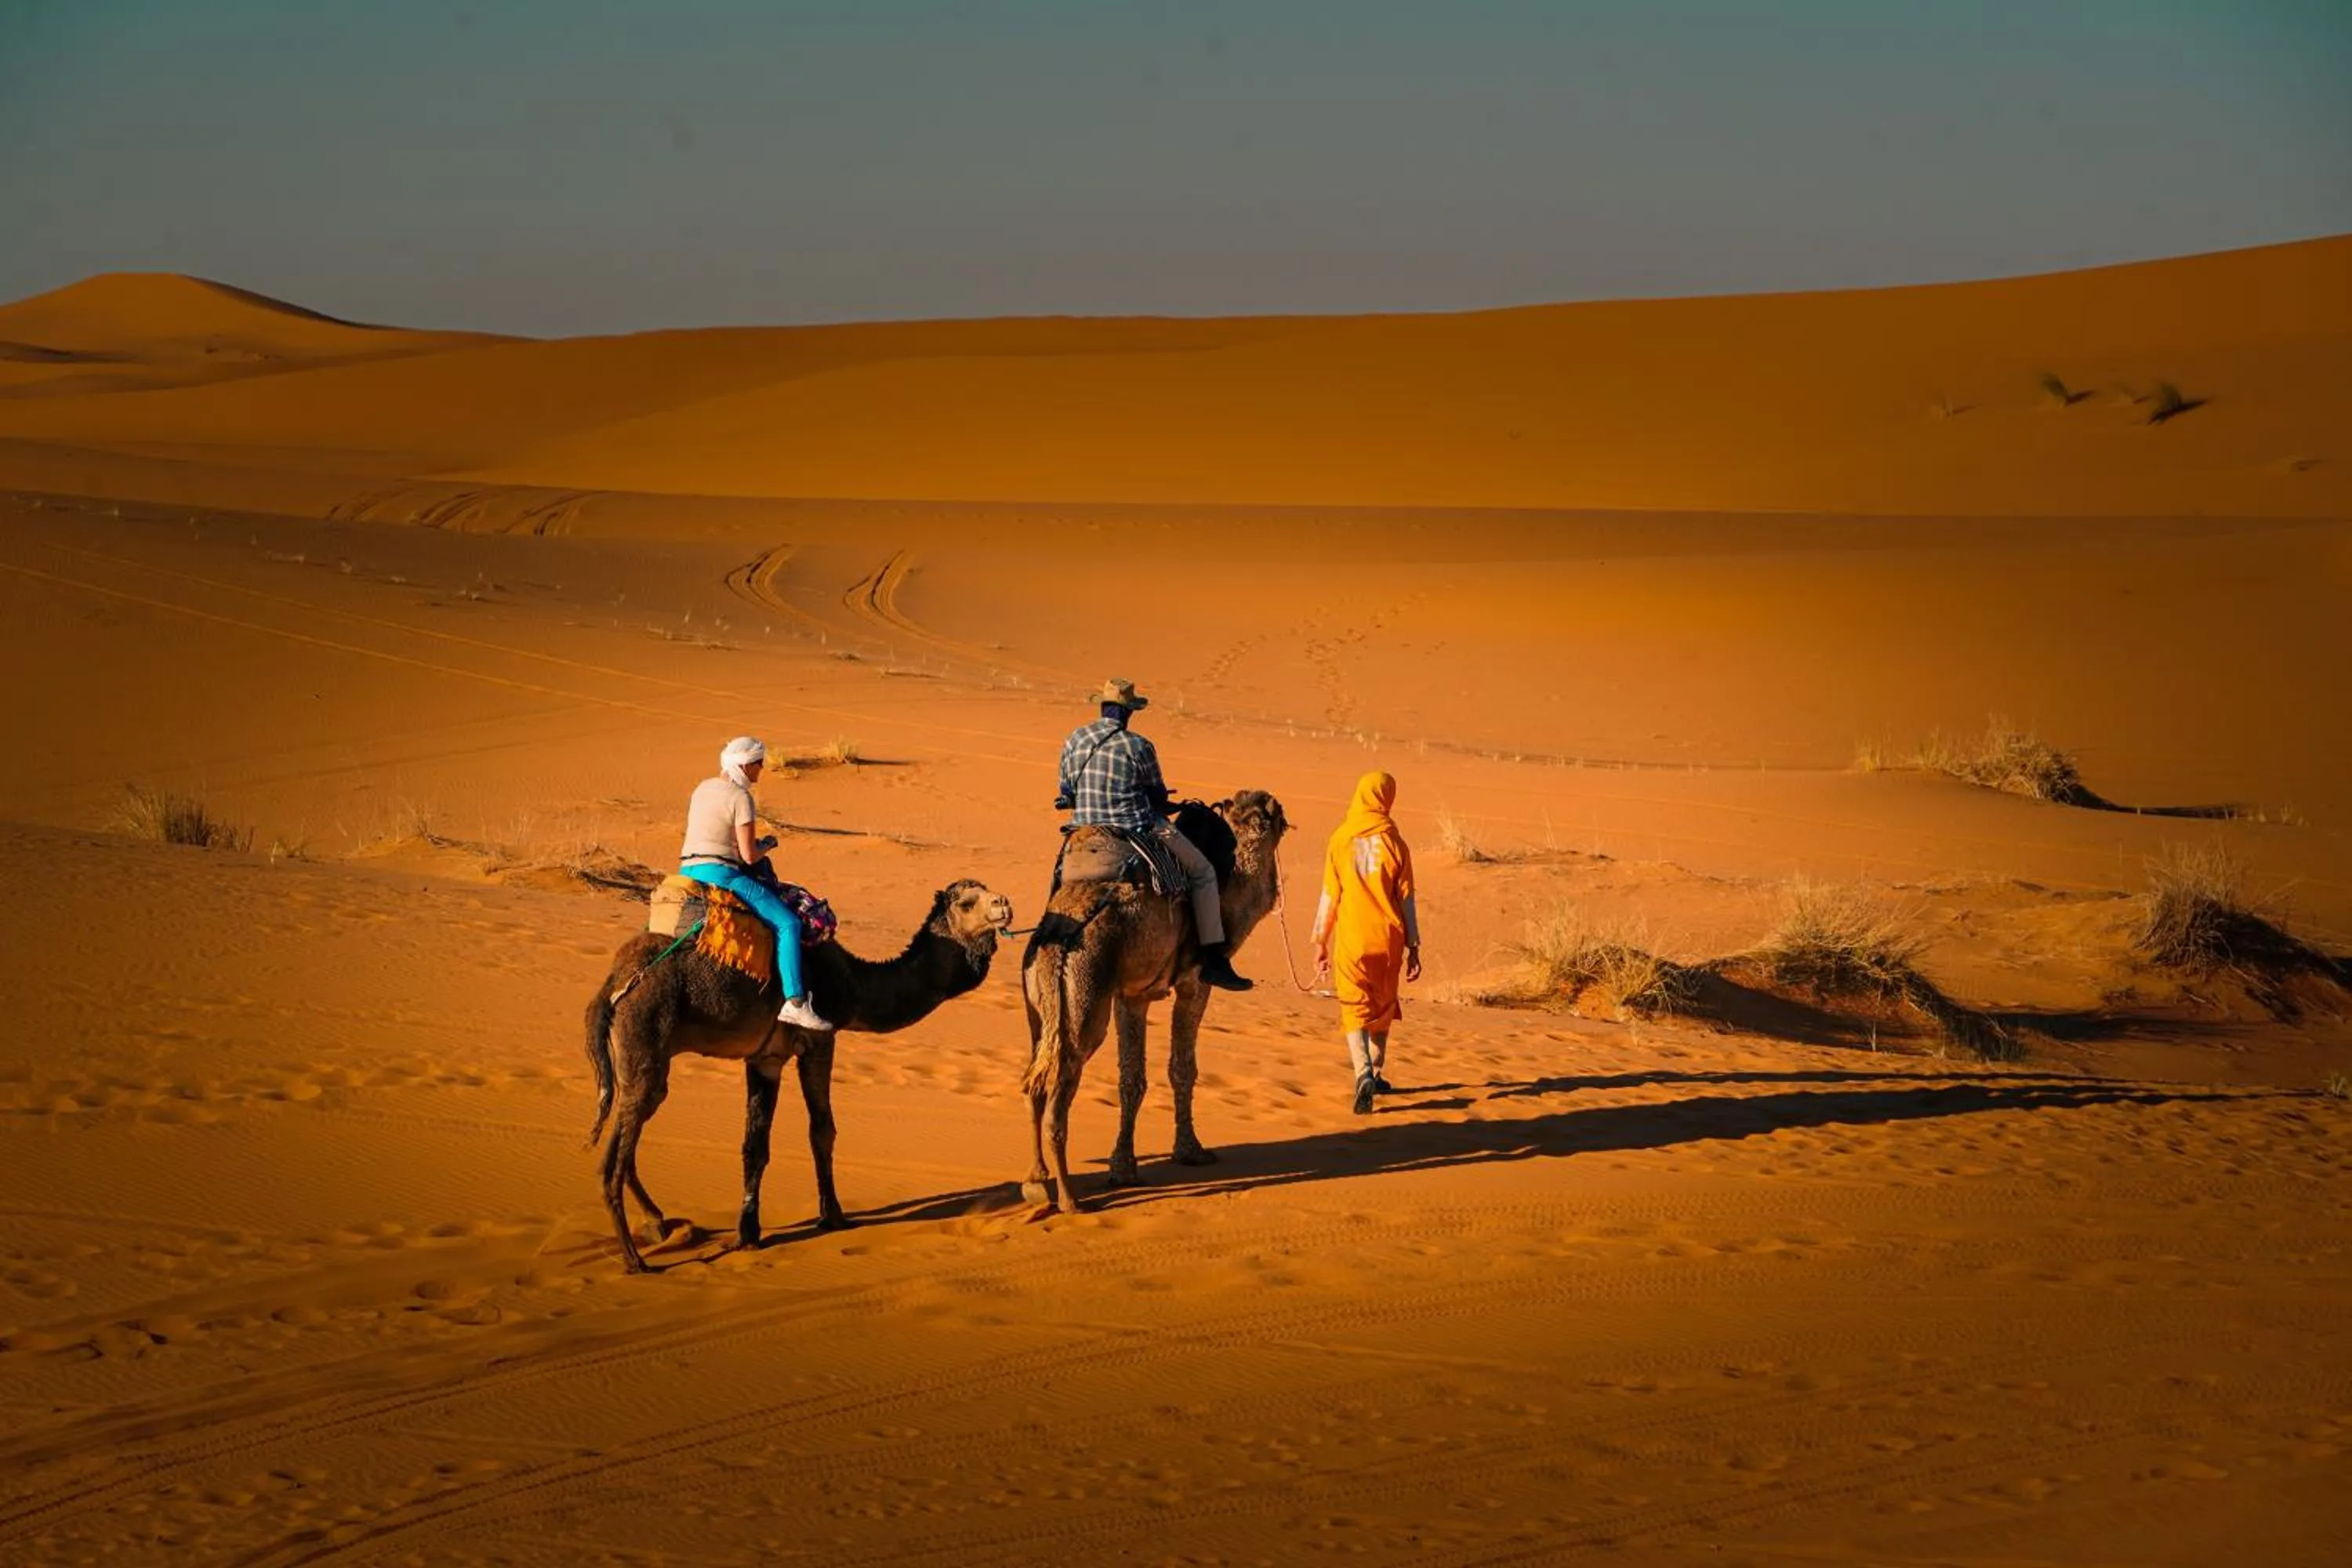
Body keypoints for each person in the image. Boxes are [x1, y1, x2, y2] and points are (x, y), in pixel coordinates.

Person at [1055, 677, 1252, 991]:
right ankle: (1213, 959)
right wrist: (1165, 803)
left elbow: (1066, 791)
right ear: (1128, 712)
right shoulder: (1139, 746)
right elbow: (1157, 797)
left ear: (1102, 707)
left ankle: (1048, 931)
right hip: (1135, 827)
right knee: (1202, 873)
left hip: (1083, 829)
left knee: (1059, 874)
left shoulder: (1074, 740)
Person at [677, 735, 833, 1030]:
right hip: (720, 874)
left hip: (687, 872)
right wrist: (768, 844)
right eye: (759, 763)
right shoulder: (740, 797)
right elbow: (749, 856)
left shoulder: (702, 788)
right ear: (745, 765)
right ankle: (796, 1003)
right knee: (789, 924)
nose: (762, 769)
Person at [1311, 770, 1421, 1114]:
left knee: (1354, 1004)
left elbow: (1330, 893)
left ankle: (1363, 1073)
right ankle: (1377, 1067)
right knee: (1383, 1005)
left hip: (1352, 939)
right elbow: (1406, 899)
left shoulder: (1340, 838)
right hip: (1388, 939)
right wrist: (1414, 945)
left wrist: (1320, 941)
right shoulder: (1395, 842)